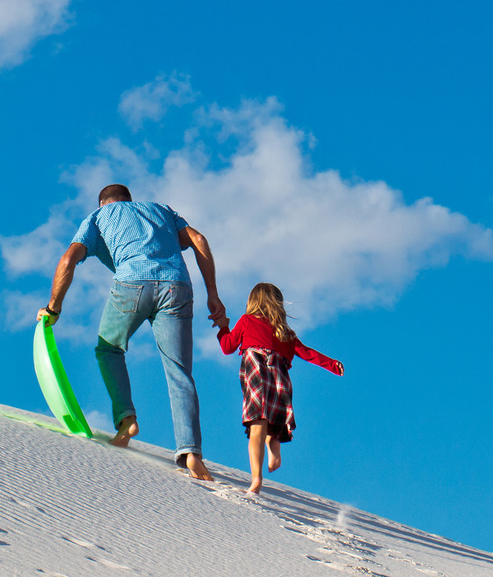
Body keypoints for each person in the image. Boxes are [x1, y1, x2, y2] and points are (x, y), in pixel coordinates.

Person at [36, 184, 225, 481]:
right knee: (179, 372)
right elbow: (199, 239)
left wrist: (53, 308)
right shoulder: (161, 211)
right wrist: (213, 294)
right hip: (178, 286)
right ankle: (192, 453)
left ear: (103, 203)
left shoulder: (98, 217)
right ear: (130, 200)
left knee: (109, 349)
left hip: (132, 283)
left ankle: (126, 418)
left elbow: (68, 259)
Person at [214, 282, 344, 494]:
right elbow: (307, 353)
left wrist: (223, 327)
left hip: (257, 375)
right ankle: (274, 450)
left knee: (257, 427)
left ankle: (256, 478)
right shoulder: (285, 333)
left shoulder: (247, 321)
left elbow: (228, 347)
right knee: (273, 426)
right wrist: (332, 364)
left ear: (253, 302)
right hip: (279, 379)